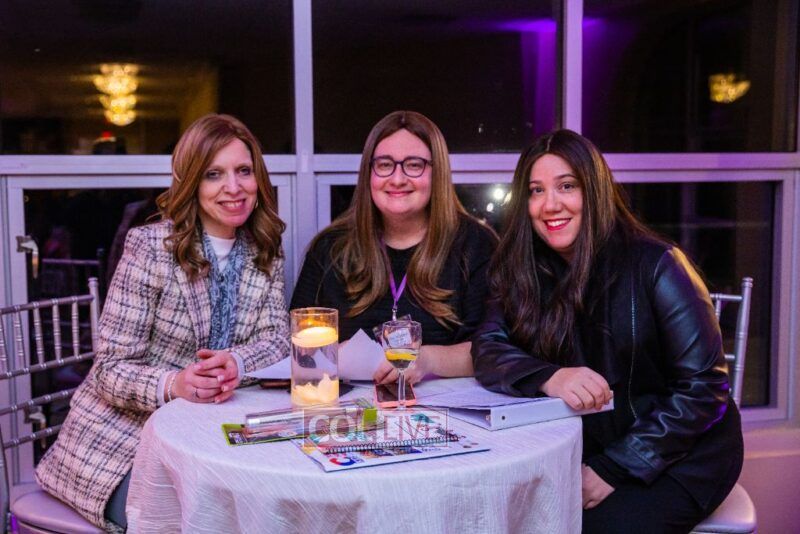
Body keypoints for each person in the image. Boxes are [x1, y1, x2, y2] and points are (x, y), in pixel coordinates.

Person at [472, 129, 743, 533]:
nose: (550, 204)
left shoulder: (658, 264)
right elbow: (487, 348)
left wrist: (615, 467)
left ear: (595, 190)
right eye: (536, 191)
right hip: (593, 448)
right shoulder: (524, 271)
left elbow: (704, 388)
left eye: (567, 186)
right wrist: (551, 376)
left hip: (683, 454)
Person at [35, 114, 290, 530]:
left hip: (216, 437)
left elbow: (277, 338)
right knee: (194, 521)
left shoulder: (265, 248)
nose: (234, 187)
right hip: (123, 446)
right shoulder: (152, 247)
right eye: (213, 174)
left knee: (265, 508)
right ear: (191, 182)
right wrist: (176, 384)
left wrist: (236, 362)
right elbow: (109, 369)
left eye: (244, 171)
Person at [291, 110, 497, 384]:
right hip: (346, 404)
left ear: (437, 172)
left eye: (414, 165)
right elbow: (296, 345)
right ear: (369, 172)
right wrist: (327, 354)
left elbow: (495, 349)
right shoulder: (330, 248)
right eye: (385, 164)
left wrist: (427, 360)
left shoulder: (476, 245)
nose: (397, 179)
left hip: (445, 403)